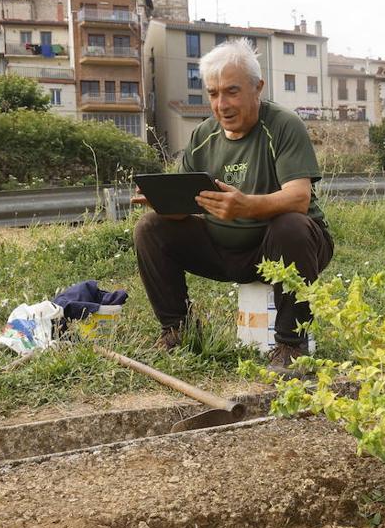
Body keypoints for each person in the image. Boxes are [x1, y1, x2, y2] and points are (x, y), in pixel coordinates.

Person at [133, 38, 334, 373]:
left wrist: (245, 207)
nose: (221, 104)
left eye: (232, 91)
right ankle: (177, 331)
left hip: (287, 248)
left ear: (258, 88)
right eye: (213, 94)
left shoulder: (284, 125)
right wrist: (164, 202)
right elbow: (186, 205)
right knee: (150, 227)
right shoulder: (203, 135)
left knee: (290, 225)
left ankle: (290, 345)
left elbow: (299, 198)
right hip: (224, 250)